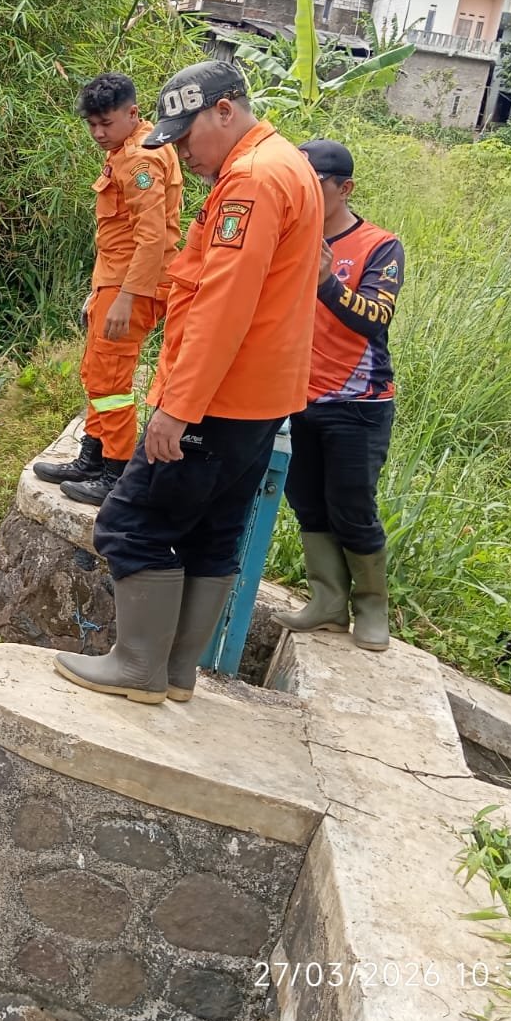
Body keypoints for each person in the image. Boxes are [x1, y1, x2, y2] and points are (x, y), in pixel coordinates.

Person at [54, 61, 322, 705]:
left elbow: (223, 305)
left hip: (216, 398)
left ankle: (138, 668)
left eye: (186, 134)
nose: (180, 150)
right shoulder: (286, 165)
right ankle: (175, 674)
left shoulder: (252, 183)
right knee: (213, 531)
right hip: (260, 397)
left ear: (224, 110)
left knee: (131, 523)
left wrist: (177, 407)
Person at [273, 139, 404, 652]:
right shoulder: (289, 238)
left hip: (359, 403)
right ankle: (327, 601)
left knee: (351, 504)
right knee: (305, 500)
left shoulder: (379, 245)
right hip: (294, 395)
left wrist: (329, 282)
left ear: (344, 188)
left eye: (315, 186)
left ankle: (372, 607)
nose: (304, 195)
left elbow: (376, 316)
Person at [33, 73, 183, 505]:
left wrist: (126, 297)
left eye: (106, 123)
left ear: (132, 113)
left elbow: (152, 239)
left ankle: (114, 473)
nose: (98, 133)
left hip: (131, 288)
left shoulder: (139, 160)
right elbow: (120, 235)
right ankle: (93, 456)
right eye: (92, 124)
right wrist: (100, 290)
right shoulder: (125, 150)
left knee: (112, 380)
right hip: (115, 282)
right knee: (97, 374)